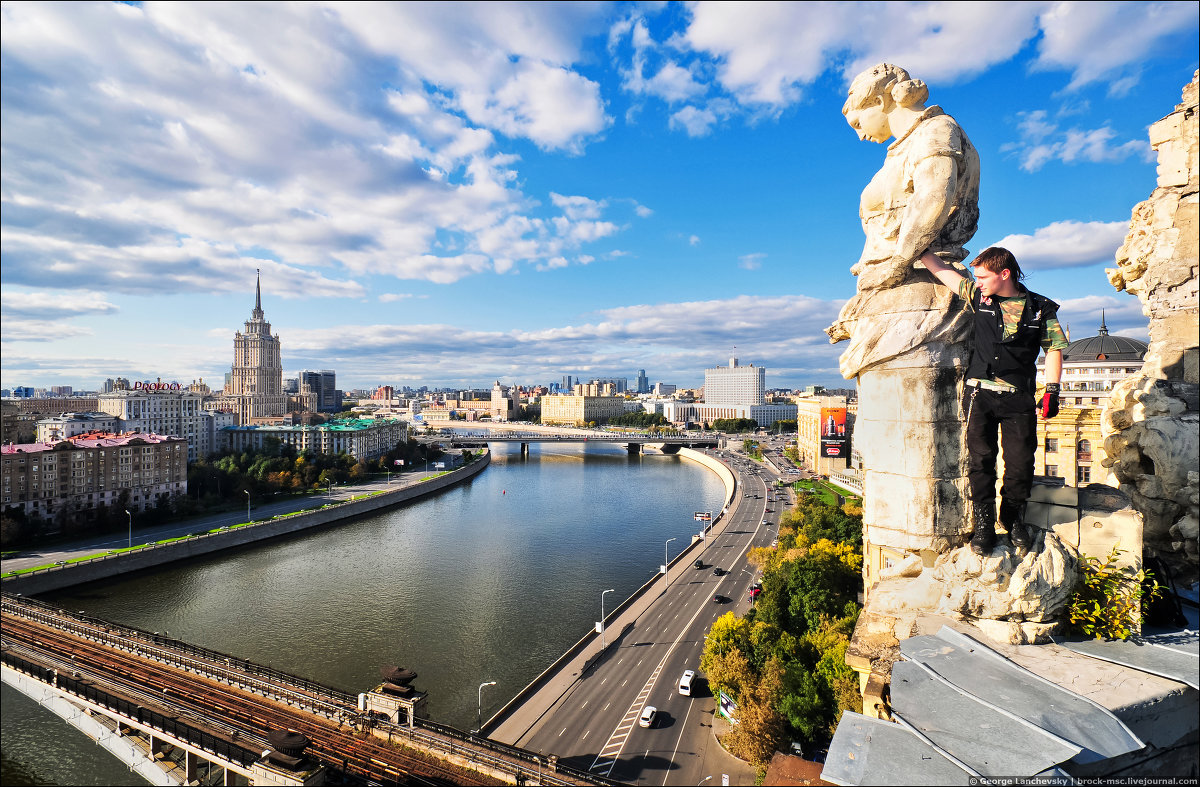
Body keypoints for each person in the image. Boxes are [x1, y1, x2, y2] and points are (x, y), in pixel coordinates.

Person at [920, 246, 1068, 555]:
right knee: (981, 461)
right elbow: (940, 270)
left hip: (1019, 397)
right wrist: (919, 248)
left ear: (1005, 274)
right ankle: (984, 524)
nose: (978, 282)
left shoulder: (1040, 308)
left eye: (983, 276)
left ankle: (1012, 518)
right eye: (976, 277)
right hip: (979, 394)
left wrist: (1052, 390)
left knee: (1020, 464)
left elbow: (1053, 349)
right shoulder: (979, 297)